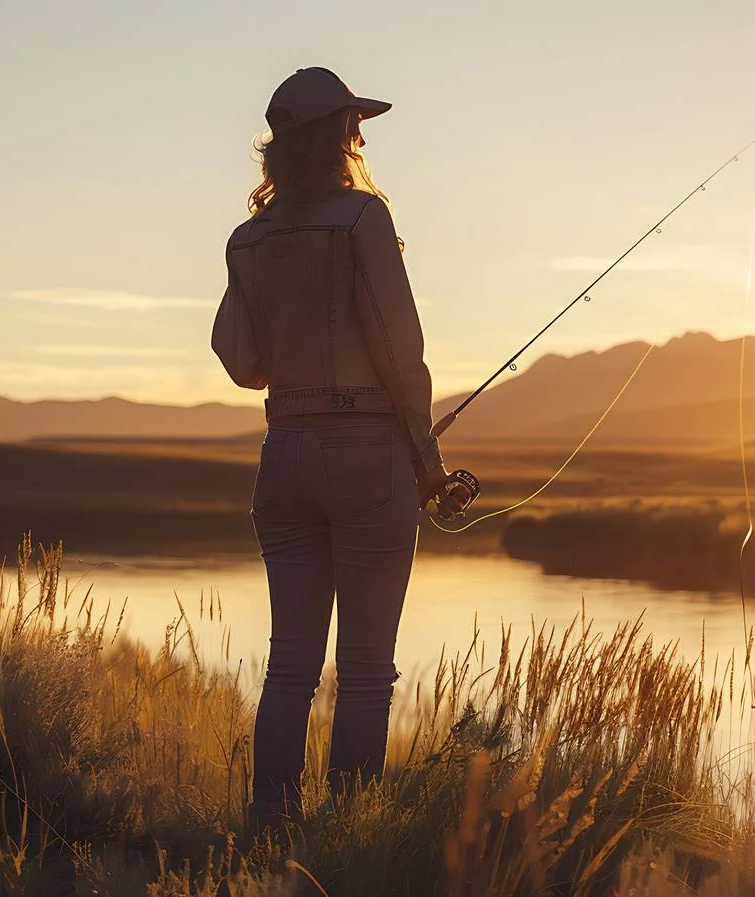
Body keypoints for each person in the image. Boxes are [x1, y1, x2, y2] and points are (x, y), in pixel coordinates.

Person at [211, 66, 470, 827]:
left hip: (283, 452)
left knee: (288, 665)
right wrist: (428, 465)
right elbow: (400, 351)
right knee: (363, 673)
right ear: (339, 137)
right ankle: (350, 837)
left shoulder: (246, 240)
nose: (360, 136)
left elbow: (240, 361)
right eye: (354, 124)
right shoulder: (362, 220)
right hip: (367, 459)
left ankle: (269, 826)